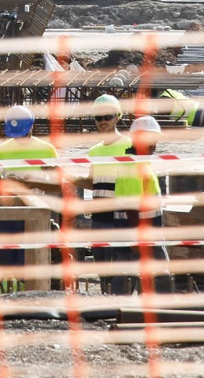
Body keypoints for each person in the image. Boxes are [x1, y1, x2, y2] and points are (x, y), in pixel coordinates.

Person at [0, 104, 59, 294]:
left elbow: (58, 184)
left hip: (36, 213)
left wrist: (30, 185)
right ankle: (9, 297)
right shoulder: (1, 151)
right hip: (9, 215)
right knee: (6, 261)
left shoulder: (46, 150)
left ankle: (27, 297)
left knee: (28, 261)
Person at [112, 115, 172, 296]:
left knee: (128, 278)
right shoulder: (133, 165)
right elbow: (131, 206)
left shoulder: (139, 163)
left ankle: (118, 310)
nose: (154, 145)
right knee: (158, 277)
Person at [87, 94, 134, 294]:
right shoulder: (94, 151)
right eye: (99, 118)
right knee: (103, 270)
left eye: (108, 116)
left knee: (123, 270)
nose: (103, 121)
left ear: (117, 117)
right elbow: (92, 183)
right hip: (99, 218)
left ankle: (121, 307)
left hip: (121, 218)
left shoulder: (129, 145)